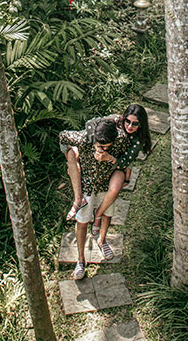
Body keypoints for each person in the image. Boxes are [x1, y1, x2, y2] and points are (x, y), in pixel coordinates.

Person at [63, 104, 152, 236]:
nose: (130, 126)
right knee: (72, 155)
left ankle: (98, 214)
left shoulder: (137, 140)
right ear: (124, 118)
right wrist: (96, 143)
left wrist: (110, 159)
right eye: (127, 121)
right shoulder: (115, 120)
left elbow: (125, 162)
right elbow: (90, 124)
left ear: (141, 124)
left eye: (135, 124)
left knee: (115, 188)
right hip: (100, 160)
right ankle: (79, 200)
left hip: (118, 164)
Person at [59, 117, 131, 279]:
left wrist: (111, 159)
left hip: (106, 184)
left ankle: (102, 241)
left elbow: (126, 160)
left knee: (107, 215)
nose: (102, 148)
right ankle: (80, 260)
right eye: (99, 145)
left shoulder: (121, 139)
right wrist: (70, 157)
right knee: (82, 221)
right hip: (87, 186)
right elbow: (62, 136)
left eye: (106, 146)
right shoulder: (83, 138)